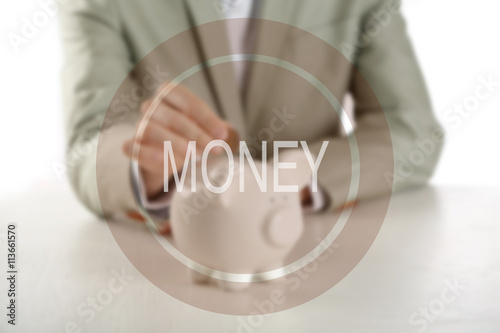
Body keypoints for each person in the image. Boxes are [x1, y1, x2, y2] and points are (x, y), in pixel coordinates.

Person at [60, 0, 443, 228]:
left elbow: (413, 130)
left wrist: (293, 177)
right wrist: (144, 170)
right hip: (174, 263)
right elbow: (88, 146)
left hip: (314, 252)